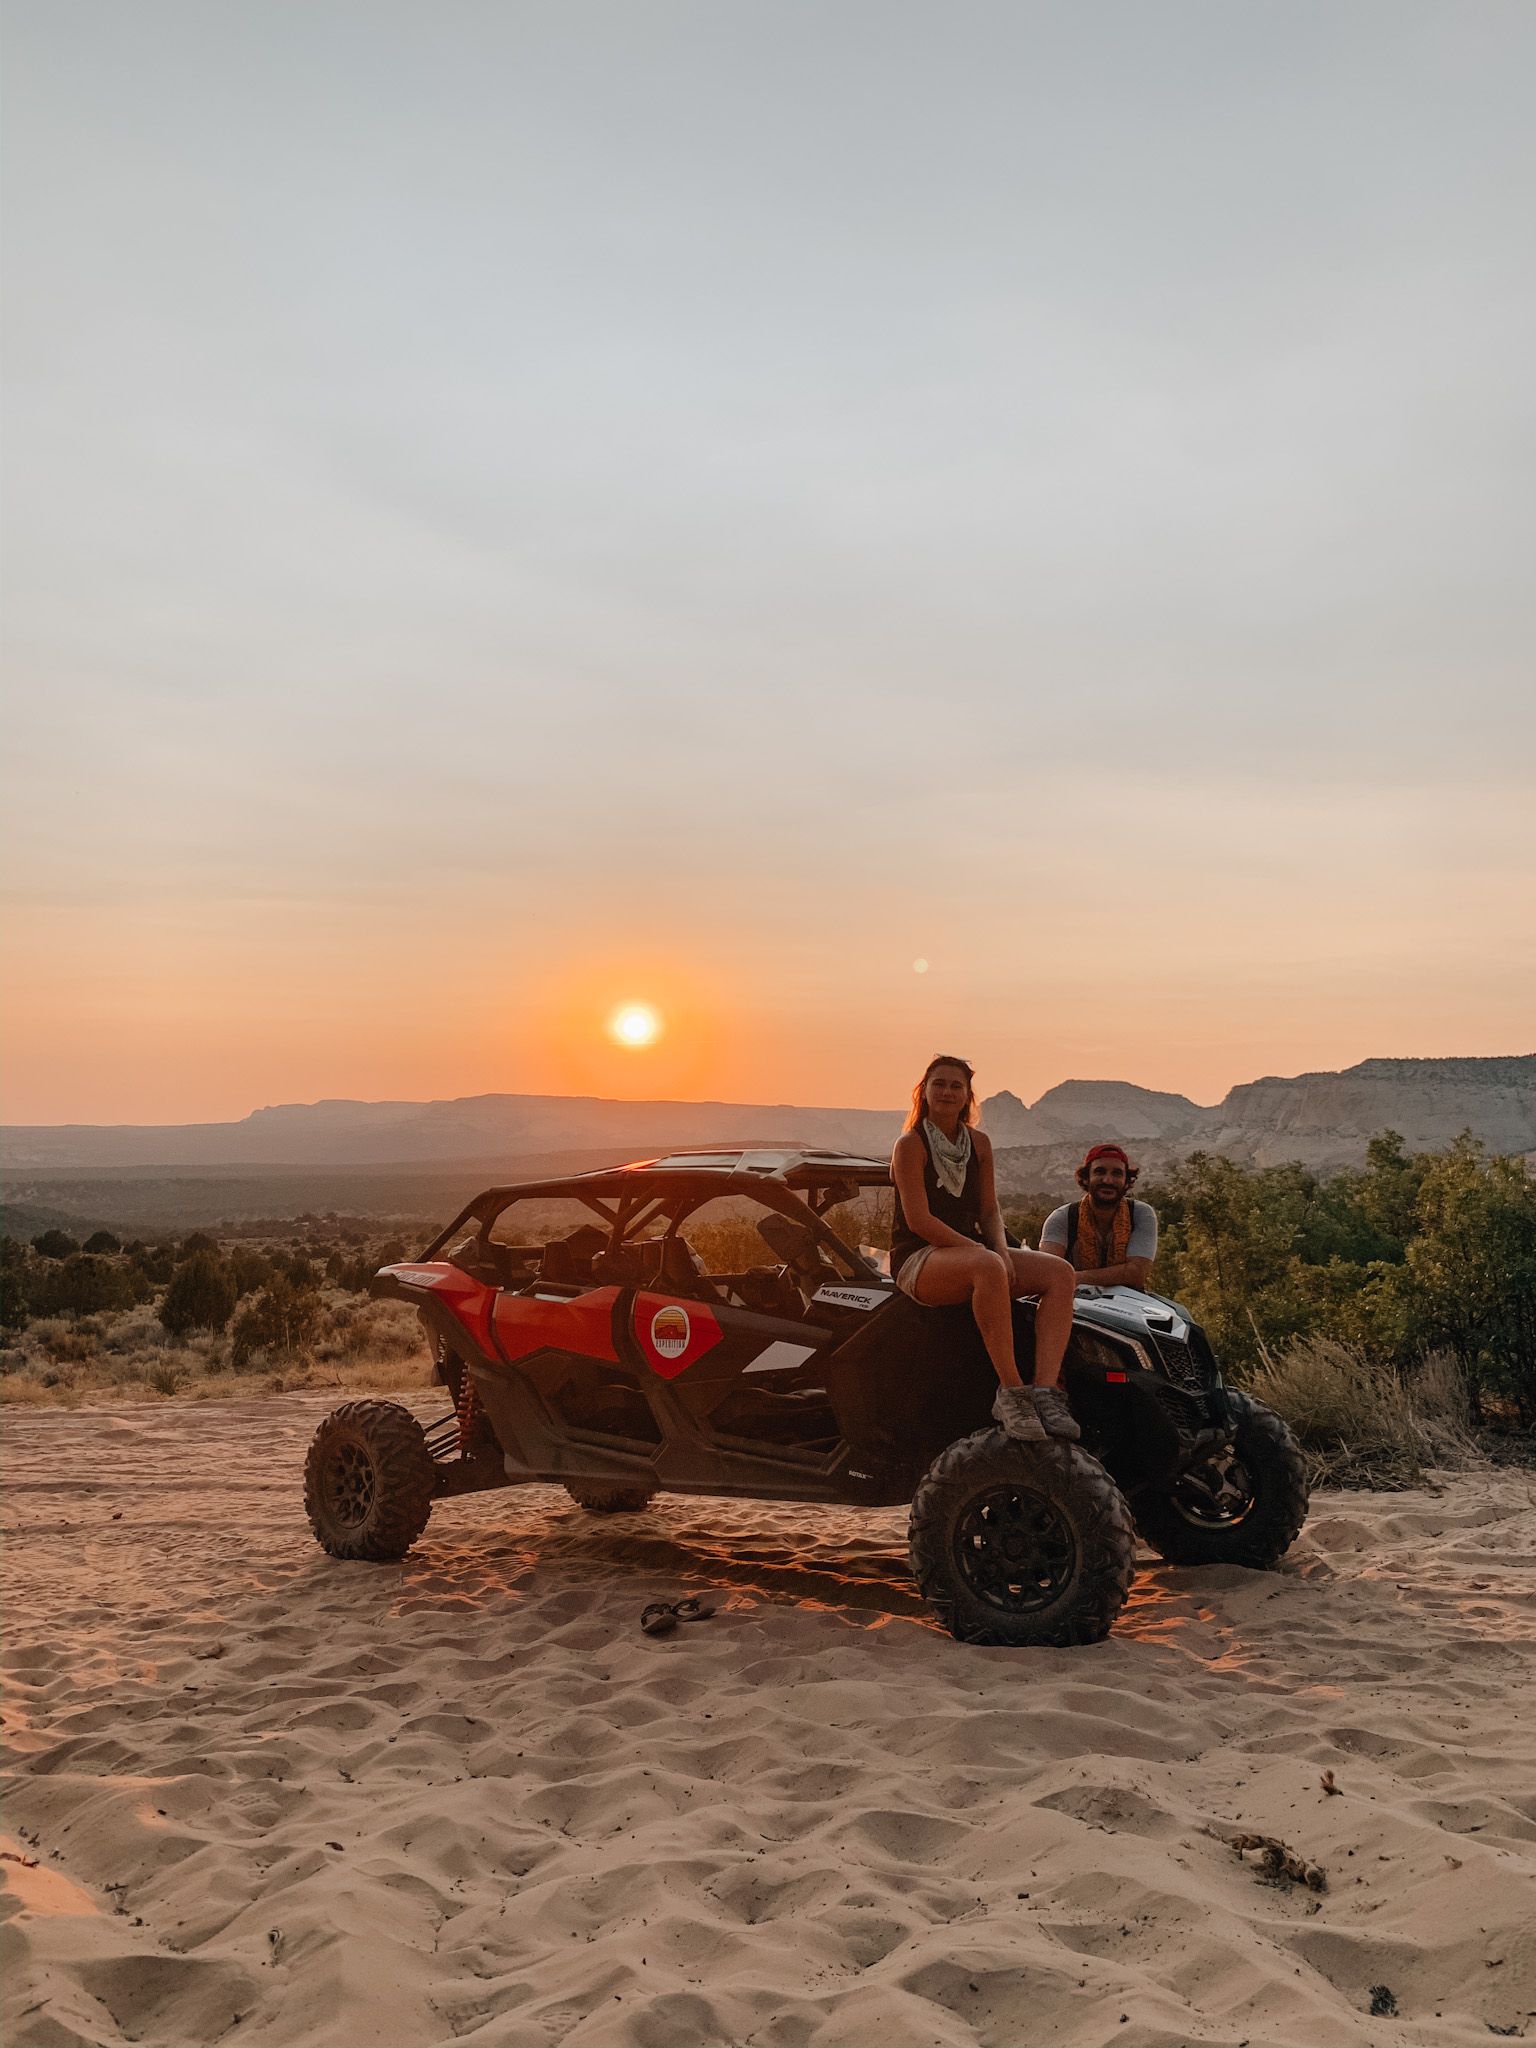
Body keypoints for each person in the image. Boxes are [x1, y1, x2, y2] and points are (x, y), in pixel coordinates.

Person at [889, 1054, 1080, 1443]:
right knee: (986, 1267)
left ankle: (1045, 1391)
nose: (946, 1091)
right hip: (919, 1259)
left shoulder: (979, 1144)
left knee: (1060, 1274)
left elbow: (989, 1209)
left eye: (955, 1085)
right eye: (938, 1083)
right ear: (923, 1091)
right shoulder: (910, 1145)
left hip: (974, 1255)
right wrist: (987, 1255)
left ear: (968, 1096)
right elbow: (919, 1221)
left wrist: (1002, 1252)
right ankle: (1011, 1392)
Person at [1041, 1143, 1158, 1289]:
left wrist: (1074, 1277)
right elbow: (1049, 1273)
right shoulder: (1063, 1218)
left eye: (1116, 1174)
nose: (1108, 1180)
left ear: (1127, 1181)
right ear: (1086, 1178)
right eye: (1100, 1172)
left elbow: (1137, 1273)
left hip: (1128, 1304)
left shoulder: (1140, 1214)